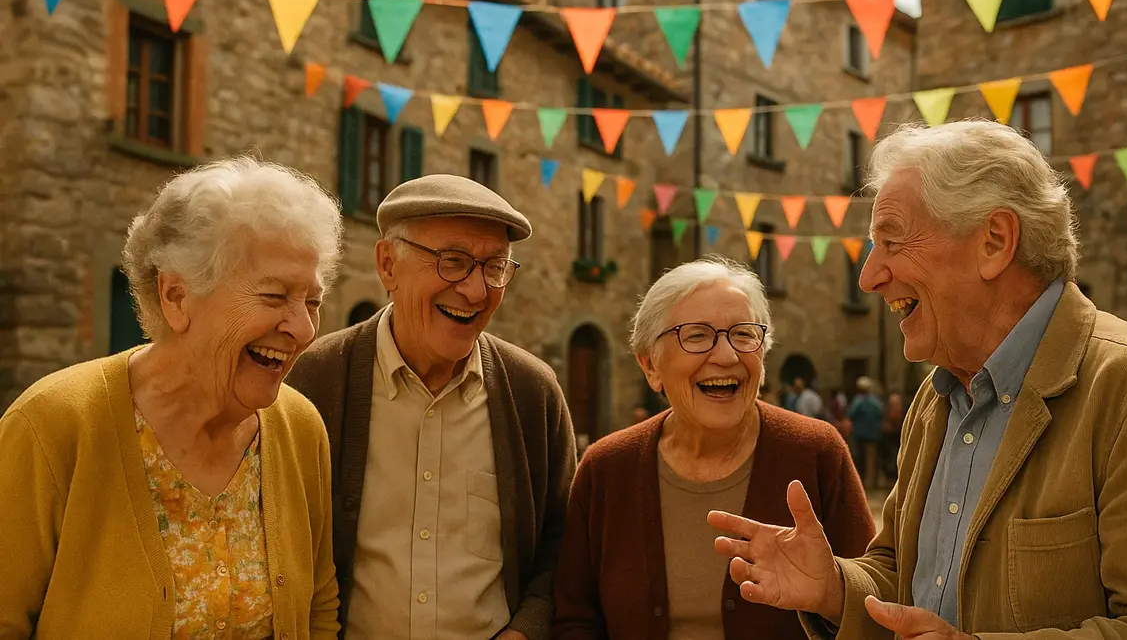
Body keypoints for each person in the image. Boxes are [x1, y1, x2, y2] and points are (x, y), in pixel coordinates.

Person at [708, 120, 1127, 637]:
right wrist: (835, 588)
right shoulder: (939, 395)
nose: (868, 277)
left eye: (892, 242)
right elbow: (905, 581)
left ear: (994, 242)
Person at [0, 157, 343, 638]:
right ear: (176, 296)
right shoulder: (52, 426)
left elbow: (319, 608)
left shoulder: (300, 428)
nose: (303, 329)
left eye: (312, 301)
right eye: (274, 297)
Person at [285, 174, 576, 640]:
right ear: (387, 265)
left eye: (495, 267)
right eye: (454, 262)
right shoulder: (314, 381)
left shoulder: (532, 393)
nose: (477, 291)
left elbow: (563, 545)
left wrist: (525, 631)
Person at [553, 257, 875, 639]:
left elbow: (875, 605)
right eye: (696, 336)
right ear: (650, 365)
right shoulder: (606, 469)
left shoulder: (816, 453)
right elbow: (574, 619)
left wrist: (834, 595)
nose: (726, 356)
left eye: (743, 335)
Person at [847, 376, 885, 490]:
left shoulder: (858, 401)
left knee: (861, 458)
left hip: (861, 435)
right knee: (872, 458)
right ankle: (873, 481)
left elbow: (851, 413)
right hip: (874, 434)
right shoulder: (875, 401)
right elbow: (881, 412)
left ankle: (862, 482)